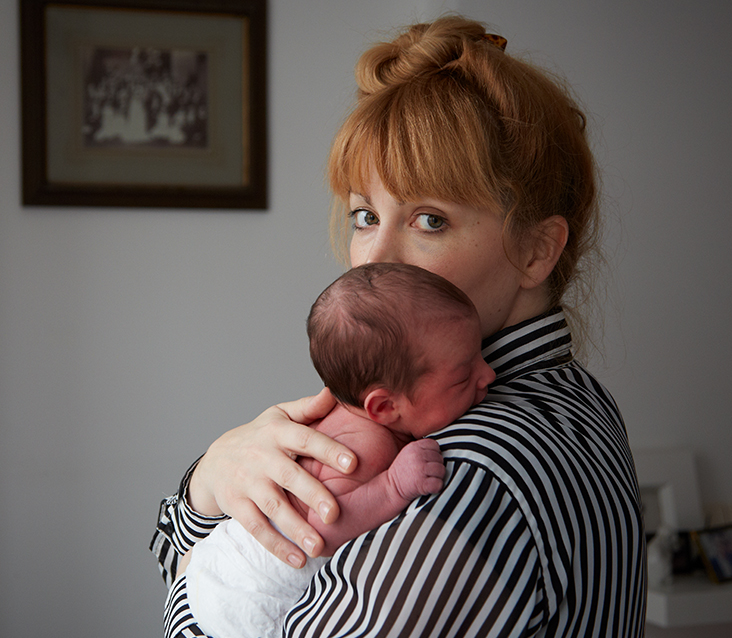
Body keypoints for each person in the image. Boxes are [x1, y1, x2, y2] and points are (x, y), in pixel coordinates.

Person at [153, 15, 646, 638]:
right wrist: (213, 479)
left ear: (536, 250)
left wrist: (188, 580)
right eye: (365, 214)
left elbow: (212, 585)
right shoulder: (572, 404)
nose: (376, 258)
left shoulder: (459, 470)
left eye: (429, 219)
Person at [175, 262, 495, 638]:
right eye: (463, 375)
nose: (488, 374)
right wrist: (393, 486)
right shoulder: (365, 446)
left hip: (208, 564)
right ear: (384, 407)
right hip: (246, 596)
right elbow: (323, 529)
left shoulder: (344, 411)